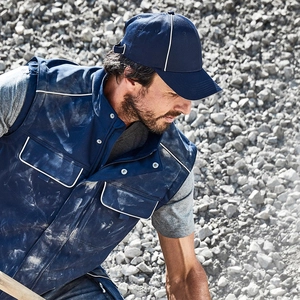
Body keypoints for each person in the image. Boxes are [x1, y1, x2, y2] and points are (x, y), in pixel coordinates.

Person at [0, 11, 221, 300]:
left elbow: (184, 275)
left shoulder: (172, 166)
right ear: (130, 76)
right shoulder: (34, 95)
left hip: (62, 287)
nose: (187, 108)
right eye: (173, 93)